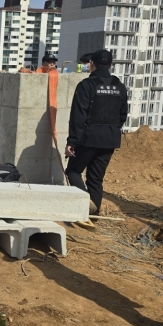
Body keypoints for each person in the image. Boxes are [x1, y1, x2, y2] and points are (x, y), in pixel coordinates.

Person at [65, 49, 128, 223]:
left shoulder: (86, 85)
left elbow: (78, 116)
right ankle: (93, 217)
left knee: (73, 171)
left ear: (92, 64)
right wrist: (111, 130)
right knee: (95, 179)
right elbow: (123, 114)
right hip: (110, 138)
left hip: (88, 137)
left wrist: (72, 141)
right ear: (110, 65)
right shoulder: (120, 86)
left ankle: (86, 205)